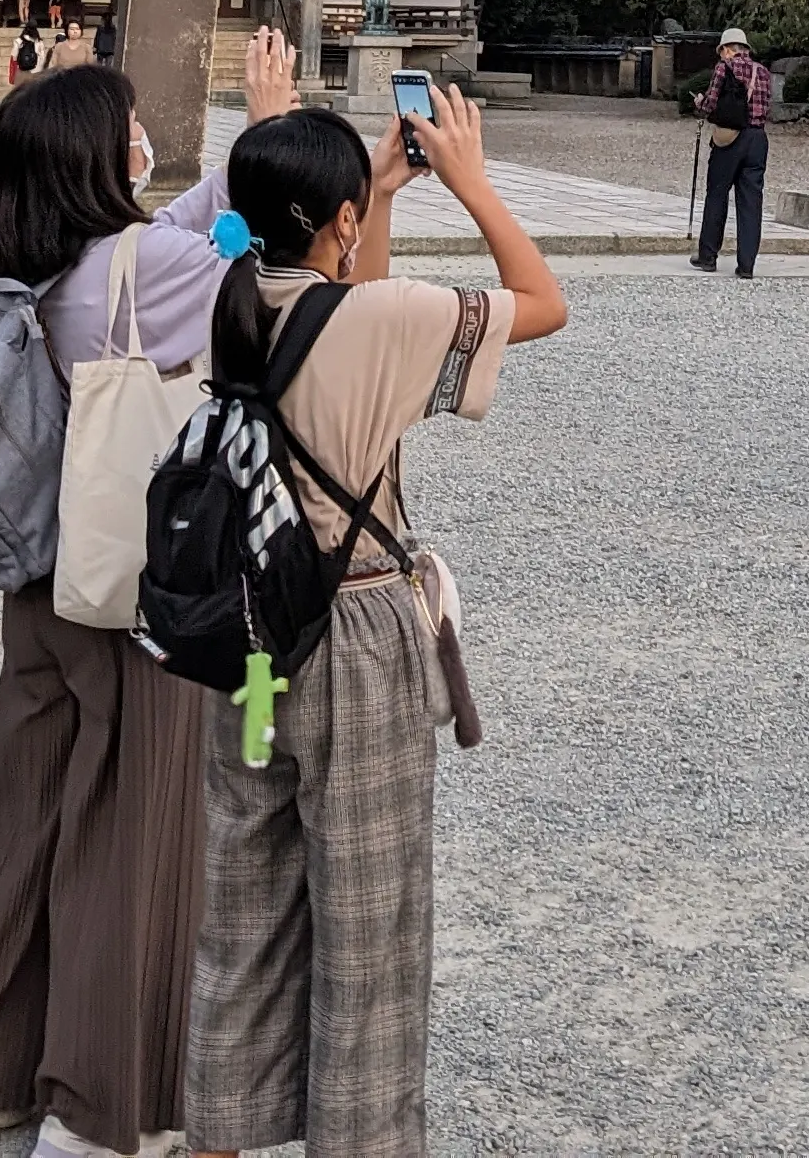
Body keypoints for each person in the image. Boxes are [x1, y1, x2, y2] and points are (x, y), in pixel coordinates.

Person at [187, 79, 566, 1158]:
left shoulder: (234, 297)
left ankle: (218, 1131)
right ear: (339, 223)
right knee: (368, 923)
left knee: (244, 900)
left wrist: (378, 198)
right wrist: (469, 181)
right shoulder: (372, 320)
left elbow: (358, 314)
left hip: (251, 639)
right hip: (352, 641)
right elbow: (541, 301)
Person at [0, 38, 258, 1158]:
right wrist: (284, 149)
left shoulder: (16, 260)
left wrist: (251, 134)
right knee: (130, 836)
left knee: (22, 828)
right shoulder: (145, 267)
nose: (142, 140)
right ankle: (104, 1105)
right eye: (129, 128)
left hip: (40, 580)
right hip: (138, 594)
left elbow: (192, 220)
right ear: (99, 160)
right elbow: (261, 274)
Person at [689, 27, 774, 279]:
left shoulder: (723, 68)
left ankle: (708, 256)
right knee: (751, 202)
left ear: (727, 49)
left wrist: (699, 103)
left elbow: (711, 103)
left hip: (730, 138)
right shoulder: (763, 72)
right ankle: (746, 265)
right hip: (758, 138)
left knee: (717, 194)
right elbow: (766, 106)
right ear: (745, 48)